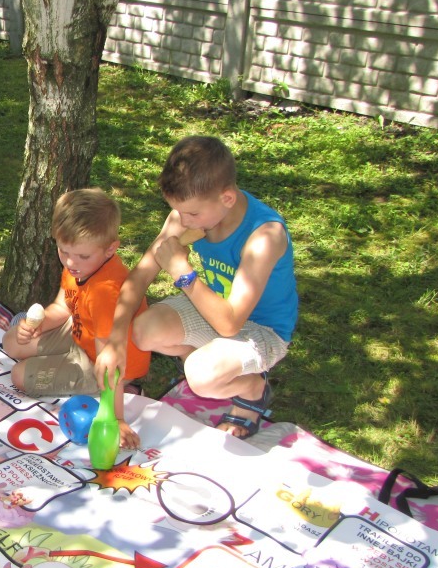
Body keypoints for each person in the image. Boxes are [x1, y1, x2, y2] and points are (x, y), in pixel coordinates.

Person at [94, 135, 298, 438]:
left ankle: (252, 388)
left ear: (227, 199)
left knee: (201, 376)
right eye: (178, 211)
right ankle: (213, 368)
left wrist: (182, 271)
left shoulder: (264, 236)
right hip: (213, 309)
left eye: (192, 214)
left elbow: (230, 324)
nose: (184, 221)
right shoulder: (190, 215)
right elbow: (138, 278)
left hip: (262, 329)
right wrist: (115, 341)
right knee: (144, 330)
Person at [1, 189, 151, 448]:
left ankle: (126, 390)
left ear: (110, 249)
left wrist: (116, 418)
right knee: (12, 342)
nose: (70, 263)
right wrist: (37, 326)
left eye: (82, 256)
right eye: (63, 251)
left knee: (19, 375)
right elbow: (62, 306)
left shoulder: (105, 292)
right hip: (82, 332)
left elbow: (109, 360)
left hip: (106, 362)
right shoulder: (79, 266)